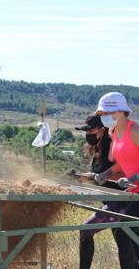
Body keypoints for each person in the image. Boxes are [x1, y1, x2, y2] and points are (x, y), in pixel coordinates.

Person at [75, 114, 127, 269]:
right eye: (86, 131)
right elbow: (96, 178)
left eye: (91, 130)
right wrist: (78, 177)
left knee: (86, 230)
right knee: (126, 246)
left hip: (122, 203)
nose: (88, 134)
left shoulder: (111, 146)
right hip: (112, 203)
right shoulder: (97, 148)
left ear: (102, 130)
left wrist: (103, 176)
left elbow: (125, 170)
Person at [94, 92, 139, 269]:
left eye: (104, 113)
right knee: (129, 234)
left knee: (123, 230)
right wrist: (105, 174)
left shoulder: (135, 130)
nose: (103, 117)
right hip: (133, 191)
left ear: (118, 112)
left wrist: (133, 179)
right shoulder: (114, 133)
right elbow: (123, 162)